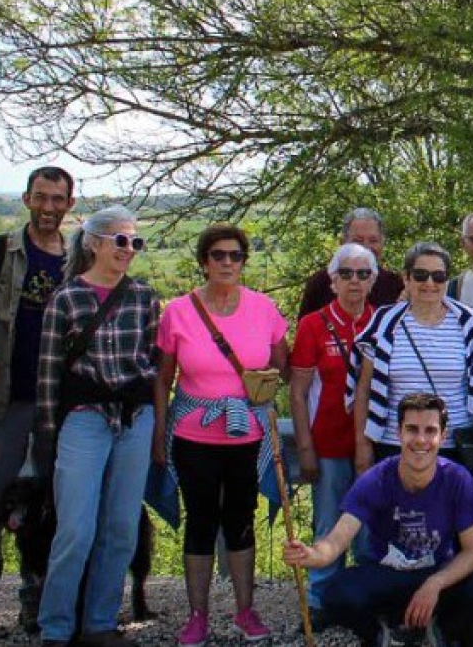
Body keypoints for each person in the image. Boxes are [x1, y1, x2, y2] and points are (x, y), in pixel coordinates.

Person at [152, 224, 290, 645]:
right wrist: (159, 435)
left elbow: (282, 367)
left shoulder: (264, 309)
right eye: (218, 255)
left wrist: (261, 392)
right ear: (204, 261)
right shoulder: (178, 312)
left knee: (241, 521)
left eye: (235, 255)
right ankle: (197, 616)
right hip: (194, 434)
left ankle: (245, 611)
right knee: (200, 522)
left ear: (243, 261)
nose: (227, 262)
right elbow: (163, 378)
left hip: (247, 434)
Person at [283, 393, 473, 644]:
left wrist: (435, 583)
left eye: (430, 431)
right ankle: (379, 633)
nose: (421, 440)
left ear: (443, 436)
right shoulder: (376, 479)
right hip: (387, 574)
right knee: (337, 594)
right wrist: (310, 555)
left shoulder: (457, 479)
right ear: (399, 433)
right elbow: (336, 541)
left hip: (439, 574)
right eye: (412, 429)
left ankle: (443, 628)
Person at [35, 206, 160, 647]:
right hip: (84, 418)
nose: (128, 249)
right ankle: (56, 627)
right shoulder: (67, 299)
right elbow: (48, 373)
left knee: (121, 528)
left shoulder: (144, 297)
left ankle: (100, 623)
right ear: (93, 243)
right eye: (119, 240)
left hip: (134, 418)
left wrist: (154, 424)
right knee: (75, 529)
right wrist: (47, 434)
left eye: (135, 242)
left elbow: (153, 363)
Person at [0, 166, 75, 640]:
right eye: (41, 197)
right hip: (5, 400)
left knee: (49, 508)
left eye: (57, 199)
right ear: (26, 198)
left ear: (70, 204)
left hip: (59, 403)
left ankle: (35, 600)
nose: (48, 207)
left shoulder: (78, 258)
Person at [289, 242, 377, 627]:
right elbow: (297, 391)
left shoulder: (383, 321)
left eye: (363, 274)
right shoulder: (313, 324)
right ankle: (320, 600)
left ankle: (368, 597)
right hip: (327, 442)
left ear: (373, 280)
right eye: (346, 273)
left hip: (373, 443)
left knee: (371, 524)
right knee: (328, 521)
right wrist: (304, 447)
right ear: (332, 280)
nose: (354, 281)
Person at [348, 242, 473, 473]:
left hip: (453, 447)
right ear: (407, 278)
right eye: (421, 275)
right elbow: (363, 388)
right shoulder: (384, 323)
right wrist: (362, 445)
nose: (430, 283)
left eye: (438, 276)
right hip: (394, 445)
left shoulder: (471, 325)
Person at [298, 207, 405, 317]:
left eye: (373, 240)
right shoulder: (320, 283)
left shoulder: (395, 285)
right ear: (342, 242)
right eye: (358, 241)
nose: (366, 247)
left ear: (382, 244)